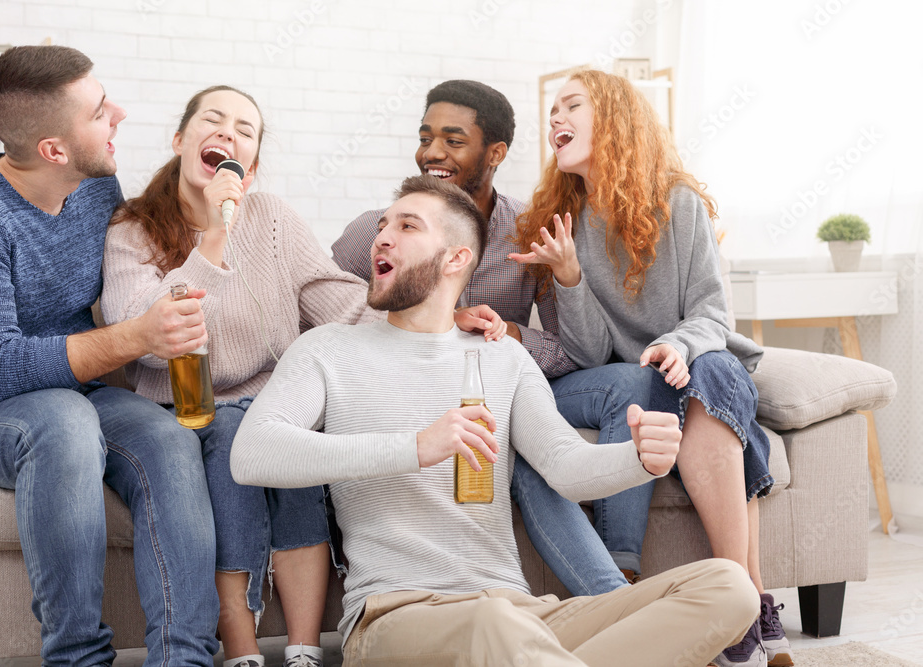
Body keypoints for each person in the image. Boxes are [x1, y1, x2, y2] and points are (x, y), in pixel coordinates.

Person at [231, 175, 760, 666]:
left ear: (456, 258)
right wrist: (416, 446)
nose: (382, 239)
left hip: (518, 610)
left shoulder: (501, 356)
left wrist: (639, 459)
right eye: (382, 226)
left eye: (406, 226)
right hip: (395, 615)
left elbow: (564, 464)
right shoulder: (327, 349)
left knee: (729, 587)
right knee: (494, 624)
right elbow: (252, 453)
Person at [100, 85, 503, 667]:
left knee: (294, 442)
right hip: (188, 409)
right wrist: (214, 233)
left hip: (274, 402)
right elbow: (145, 335)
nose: (228, 133)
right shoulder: (131, 229)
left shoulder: (271, 220)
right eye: (213, 120)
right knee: (237, 436)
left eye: (245, 130)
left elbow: (334, 299)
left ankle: (304, 650)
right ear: (181, 139)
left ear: (253, 163)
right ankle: (241, 651)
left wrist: (432, 315)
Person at [0, 46, 219, 664]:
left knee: (168, 439)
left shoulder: (94, 184)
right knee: (63, 423)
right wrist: (138, 337)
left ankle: (183, 658)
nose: (120, 114)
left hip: (74, 385)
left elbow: (139, 251)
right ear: (54, 149)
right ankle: (78, 657)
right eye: (100, 110)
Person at [510, 68, 792, 667]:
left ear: (613, 118)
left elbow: (713, 313)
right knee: (659, 379)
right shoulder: (563, 222)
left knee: (711, 369)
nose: (556, 118)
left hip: (699, 362)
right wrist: (569, 278)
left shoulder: (678, 203)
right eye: (552, 110)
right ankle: (750, 600)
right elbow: (587, 357)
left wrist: (679, 345)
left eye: (572, 106)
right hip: (630, 381)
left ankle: (739, 594)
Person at [332, 79, 649, 596]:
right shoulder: (377, 232)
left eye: (453, 141)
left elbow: (576, 352)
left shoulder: (529, 229)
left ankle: (622, 571)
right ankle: (613, 598)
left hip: (499, 390)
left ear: (495, 153)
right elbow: (322, 313)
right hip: (414, 398)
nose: (432, 152)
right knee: (513, 445)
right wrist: (429, 325)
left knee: (624, 384)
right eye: (426, 136)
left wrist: (512, 333)